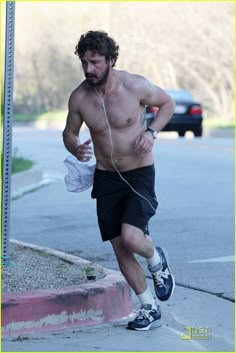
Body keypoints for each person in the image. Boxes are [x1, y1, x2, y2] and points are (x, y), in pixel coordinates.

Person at [63, 30, 176, 331]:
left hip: (139, 173)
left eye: (96, 62)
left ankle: (156, 259)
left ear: (111, 60)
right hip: (106, 177)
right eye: (84, 62)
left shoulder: (135, 86)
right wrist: (75, 146)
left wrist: (152, 133)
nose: (89, 69)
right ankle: (149, 308)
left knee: (132, 238)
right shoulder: (80, 97)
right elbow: (69, 132)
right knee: (120, 247)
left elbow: (167, 104)